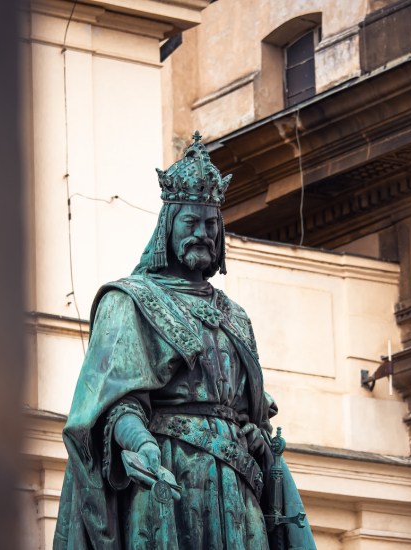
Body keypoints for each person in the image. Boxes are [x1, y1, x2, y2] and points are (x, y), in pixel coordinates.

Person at [53, 133, 315, 549]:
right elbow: (113, 401)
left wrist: (255, 438)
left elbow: (251, 414)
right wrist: (140, 444)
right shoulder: (132, 300)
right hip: (169, 480)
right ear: (168, 228)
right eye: (191, 223)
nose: (203, 234)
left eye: (211, 225)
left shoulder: (237, 317)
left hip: (237, 488)